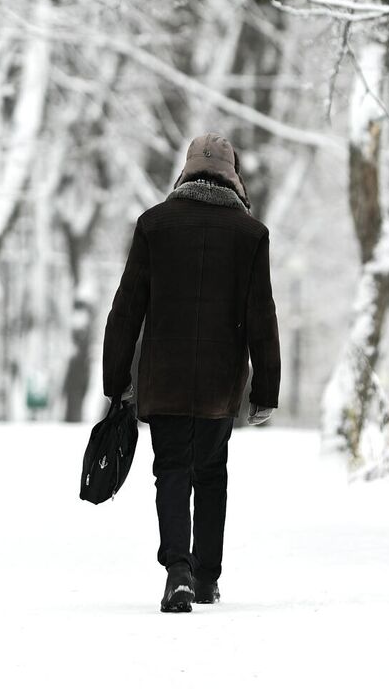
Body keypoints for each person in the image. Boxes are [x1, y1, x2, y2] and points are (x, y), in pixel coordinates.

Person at [102, 132, 281, 613]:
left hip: (165, 375)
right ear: (232, 176)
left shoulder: (154, 225)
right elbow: (262, 314)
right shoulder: (250, 235)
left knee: (171, 470)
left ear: (186, 170)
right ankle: (206, 577)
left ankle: (177, 572)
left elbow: (126, 308)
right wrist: (265, 389)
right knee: (212, 472)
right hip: (221, 382)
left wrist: (116, 377)